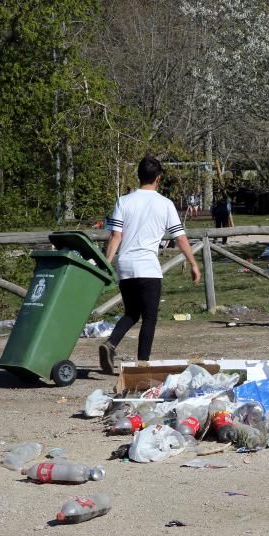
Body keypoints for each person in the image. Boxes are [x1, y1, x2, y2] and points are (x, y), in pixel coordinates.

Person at [99, 155, 202, 373]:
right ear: (159, 178)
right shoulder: (165, 204)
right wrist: (193, 263)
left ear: (138, 176)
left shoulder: (123, 201)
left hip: (125, 265)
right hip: (148, 267)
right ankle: (142, 363)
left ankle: (110, 344)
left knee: (131, 313)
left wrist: (107, 264)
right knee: (150, 317)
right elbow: (180, 238)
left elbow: (115, 237)